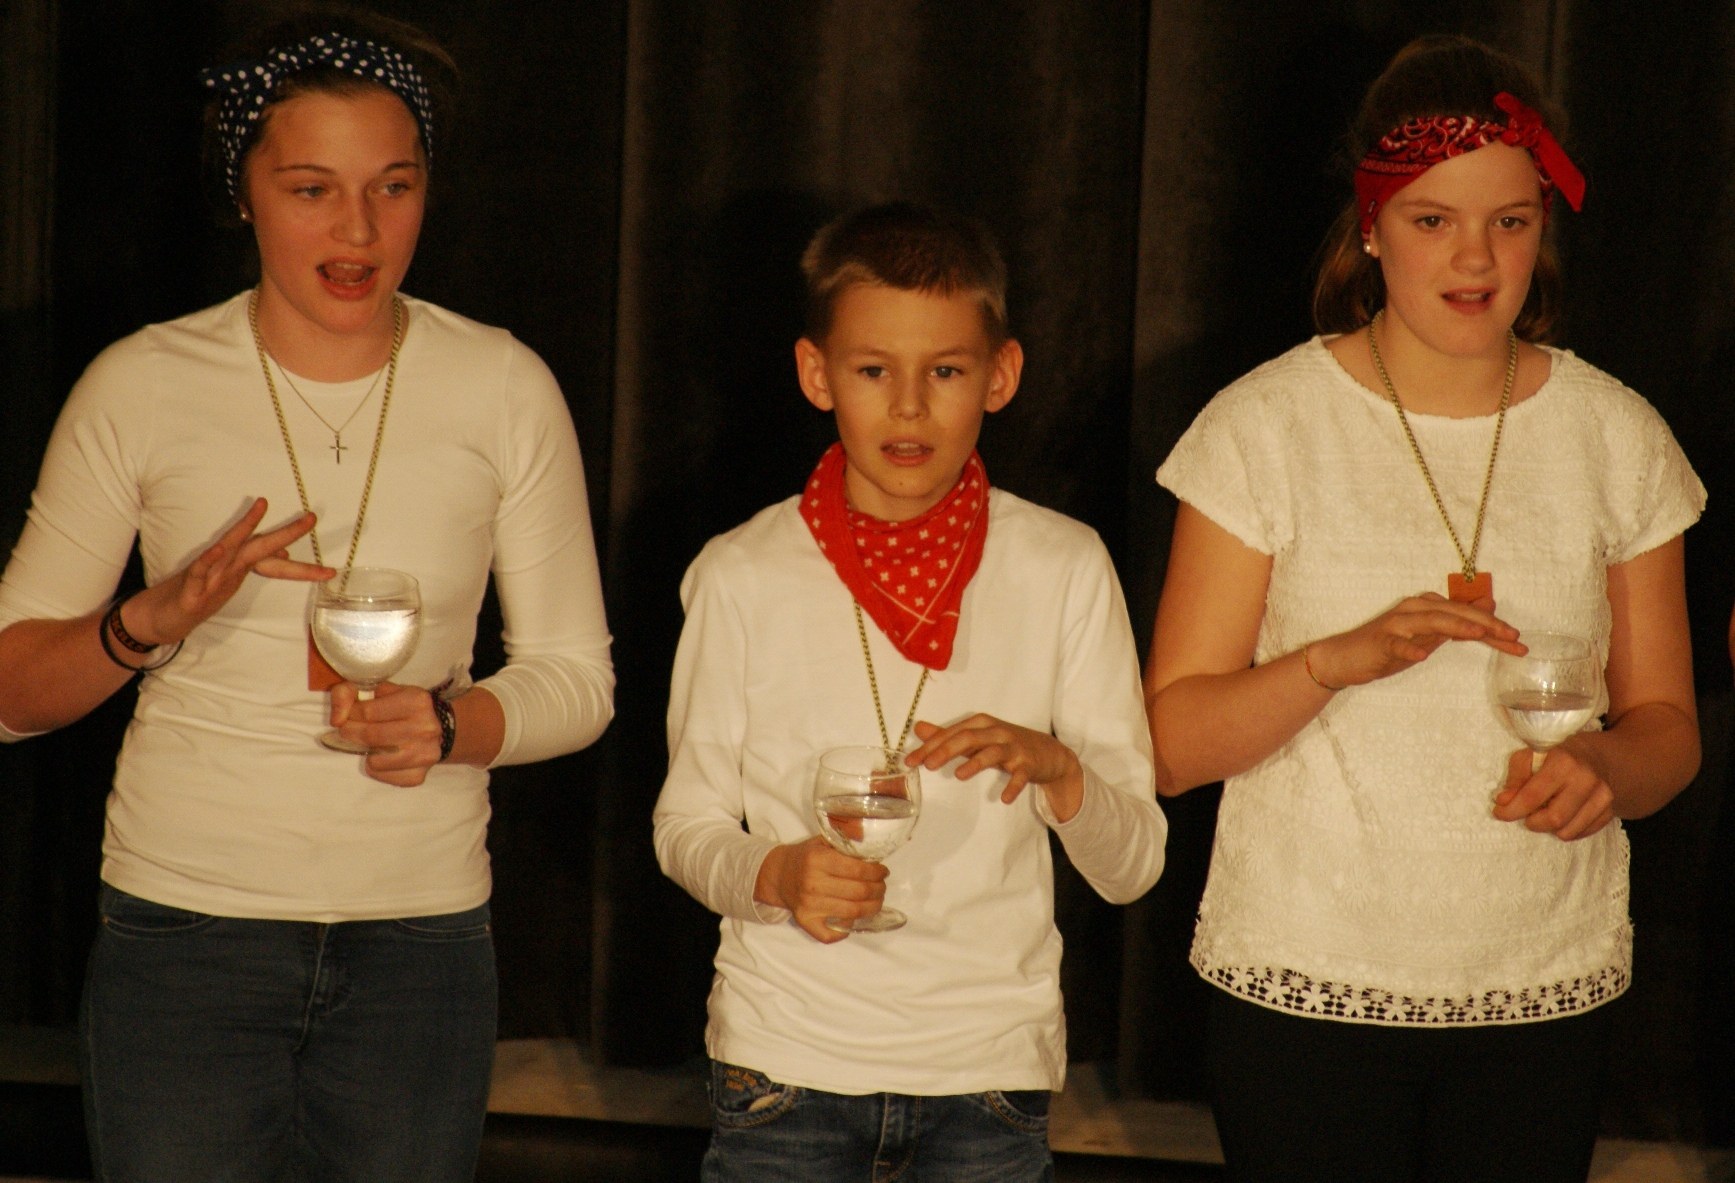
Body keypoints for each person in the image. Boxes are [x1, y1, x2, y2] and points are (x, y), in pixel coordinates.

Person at [0, 12, 614, 1182]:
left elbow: (577, 682)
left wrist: (452, 724)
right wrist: (146, 623)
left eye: (394, 185)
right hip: (185, 934)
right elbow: (9, 693)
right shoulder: (142, 383)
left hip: (420, 941)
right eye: (312, 189)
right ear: (244, 195)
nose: (359, 229)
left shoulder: (502, 384)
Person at [1143, 34, 1703, 1183]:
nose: (1475, 257)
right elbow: (1170, 746)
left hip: (1539, 986)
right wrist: (1330, 662)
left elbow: (1669, 730)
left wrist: (1609, 766)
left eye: (1509, 220)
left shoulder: (1616, 435)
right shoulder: (1264, 427)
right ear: (1370, 226)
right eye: (1432, 219)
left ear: (1543, 226)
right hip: (1304, 981)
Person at [652, 201, 1167, 1181]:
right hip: (784, 1065)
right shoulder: (740, 572)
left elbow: (1133, 864)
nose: (907, 407)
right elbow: (685, 827)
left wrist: (1061, 773)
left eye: (945, 371)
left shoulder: (1063, 565)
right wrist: (776, 873)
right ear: (816, 374)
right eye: (872, 370)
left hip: (987, 1075)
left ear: (1000, 376)